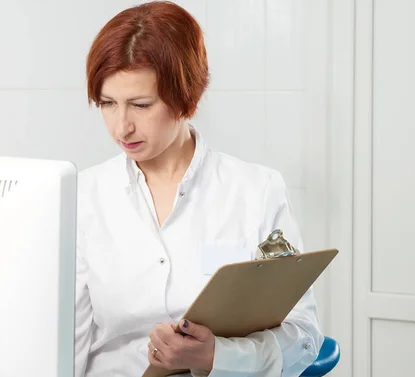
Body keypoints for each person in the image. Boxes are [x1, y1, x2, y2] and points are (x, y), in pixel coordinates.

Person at [75, 1, 323, 376]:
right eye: (108, 104)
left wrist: (217, 358)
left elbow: (303, 336)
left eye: (140, 105)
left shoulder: (255, 191)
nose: (121, 126)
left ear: (186, 96)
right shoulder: (81, 196)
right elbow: (65, 341)